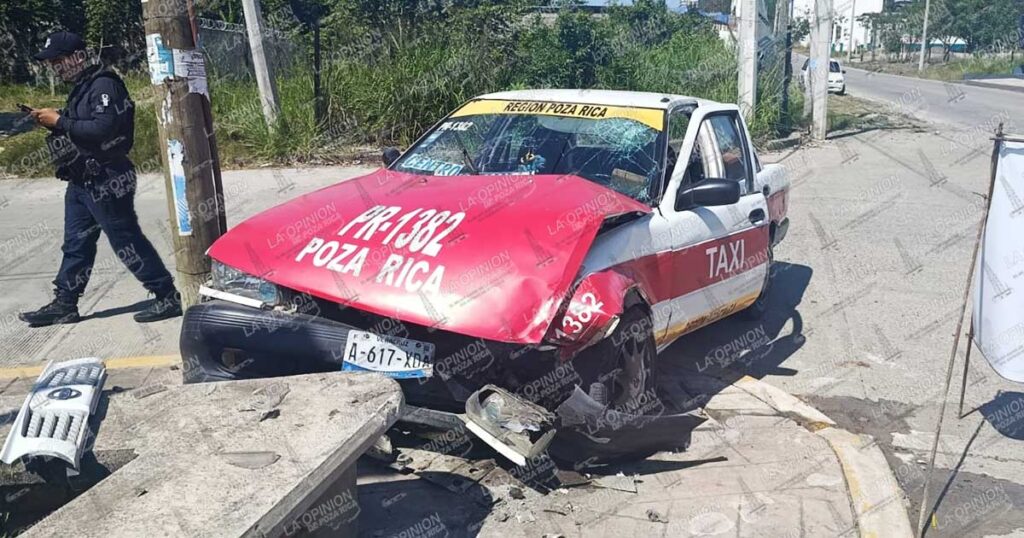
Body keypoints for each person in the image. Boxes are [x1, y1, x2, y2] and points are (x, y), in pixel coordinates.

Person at [18, 31, 181, 327]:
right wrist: (53, 120)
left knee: (126, 241)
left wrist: (61, 121)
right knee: (75, 244)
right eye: (51, 63)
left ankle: (166, 295)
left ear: (78, 57)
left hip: (106, 177)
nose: (55, 67)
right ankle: (65, 303)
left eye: (59, 60)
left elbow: (103, 129)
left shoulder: (105, 85)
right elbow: (80, 127)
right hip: (81, 179)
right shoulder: (82, 88)